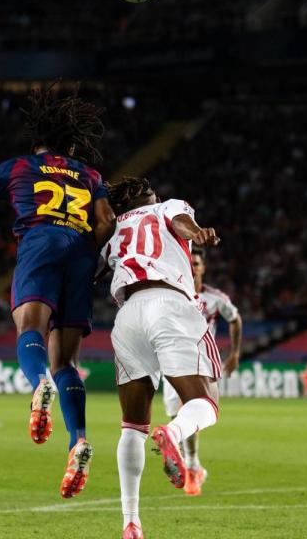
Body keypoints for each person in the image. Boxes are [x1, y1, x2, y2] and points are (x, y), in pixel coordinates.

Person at [0, 86, 116, 499]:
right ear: (70, 144)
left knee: (30, 329)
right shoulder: (90, 175)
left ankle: (39, 383)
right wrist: (91, 255)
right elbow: (107, 221)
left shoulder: (17, 166)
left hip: (40, 240)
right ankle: (78, 439)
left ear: (38, 142)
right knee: (67, 360)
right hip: (81, 251)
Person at [99, 176, 221, 539]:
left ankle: (131, 522)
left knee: (132, 426)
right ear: (140, 195)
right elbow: (180, 222)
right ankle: (174, 432)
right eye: (148, 188)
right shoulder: (167, 206)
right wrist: (197, 233)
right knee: (205, 404)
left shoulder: (110, 232)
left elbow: (92, 272)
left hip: (127, 315)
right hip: (169, 304)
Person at [162, 247, 242, 495]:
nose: (193, 267)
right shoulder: (172, 293)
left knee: (189, 409)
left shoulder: (214, 298)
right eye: (189, 262)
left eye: (196, 263)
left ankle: (189, 465)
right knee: (177, 416)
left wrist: (235, 353)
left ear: (203, 268)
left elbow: (235, 319)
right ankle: (193, 464)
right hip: (172, 359)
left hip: (202, 362)